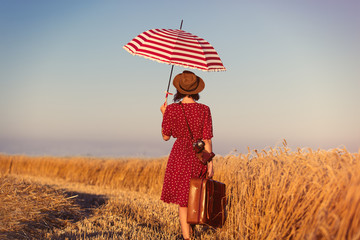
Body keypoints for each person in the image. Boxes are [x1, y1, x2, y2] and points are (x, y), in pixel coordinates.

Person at [160, 70, 214, 240]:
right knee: (195, 195)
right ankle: (190, 234)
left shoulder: (172, 110)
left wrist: (164, 114)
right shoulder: (204, 109)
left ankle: (187, 237)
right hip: (198, 155)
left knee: (183, 200)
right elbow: (207, 139)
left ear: (178, 89)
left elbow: (166, 136)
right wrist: (210, 163)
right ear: (196, 89)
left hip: (179, 155)